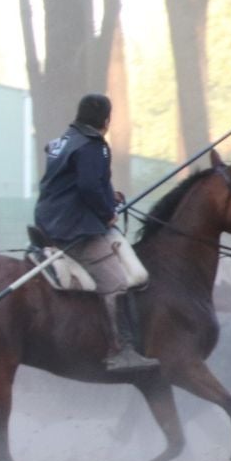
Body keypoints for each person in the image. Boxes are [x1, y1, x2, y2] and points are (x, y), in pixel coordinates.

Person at [35, 92, 157, 372]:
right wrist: (107, 212)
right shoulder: (93, 146)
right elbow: (88, 186)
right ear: (106, 119)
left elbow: (71, 182)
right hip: (74, 230)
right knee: (117, 281)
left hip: (49, 221)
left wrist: (108, 195)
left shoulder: (62, 142)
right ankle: (121, 350)